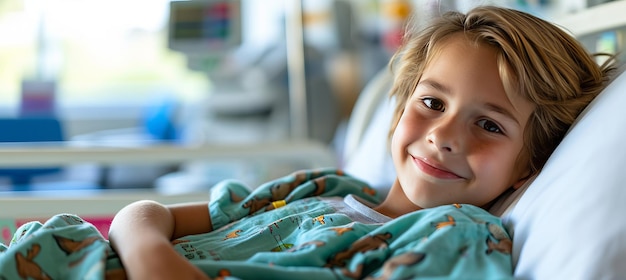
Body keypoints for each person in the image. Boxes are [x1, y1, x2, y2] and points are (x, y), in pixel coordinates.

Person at [0, 5, 617, 280]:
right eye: (431, 103)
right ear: (400, 107)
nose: (444, 136)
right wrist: (153, 257)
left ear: (528, 167)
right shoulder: (318, 185)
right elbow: (145, 214)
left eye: (490, 125)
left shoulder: (457, 237)